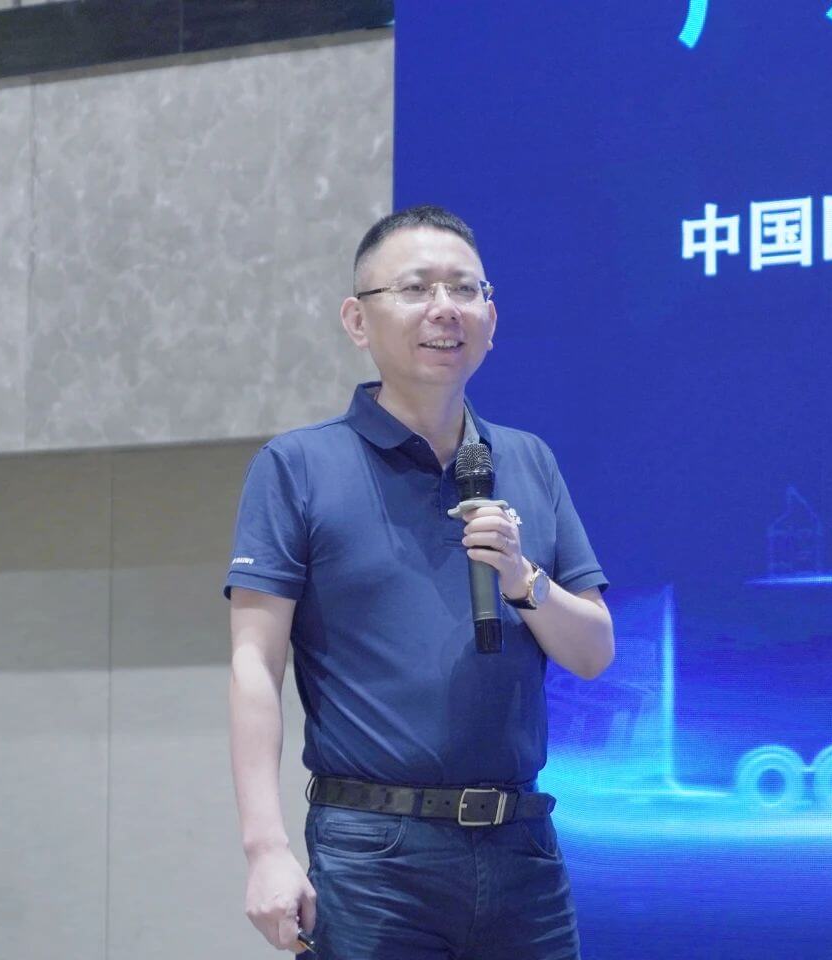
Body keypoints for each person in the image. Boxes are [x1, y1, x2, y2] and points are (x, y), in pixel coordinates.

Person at [225, 205, 614, 959]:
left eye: (465, 289)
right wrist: (264, 848)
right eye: (415, 288)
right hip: (375, 853)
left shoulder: (528, 460)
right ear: (357, 320)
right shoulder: (298, 466)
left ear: (491, 319)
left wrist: (523, 578)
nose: (445, 308)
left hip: (524, 850)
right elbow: (254, 664)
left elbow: (594, 652)